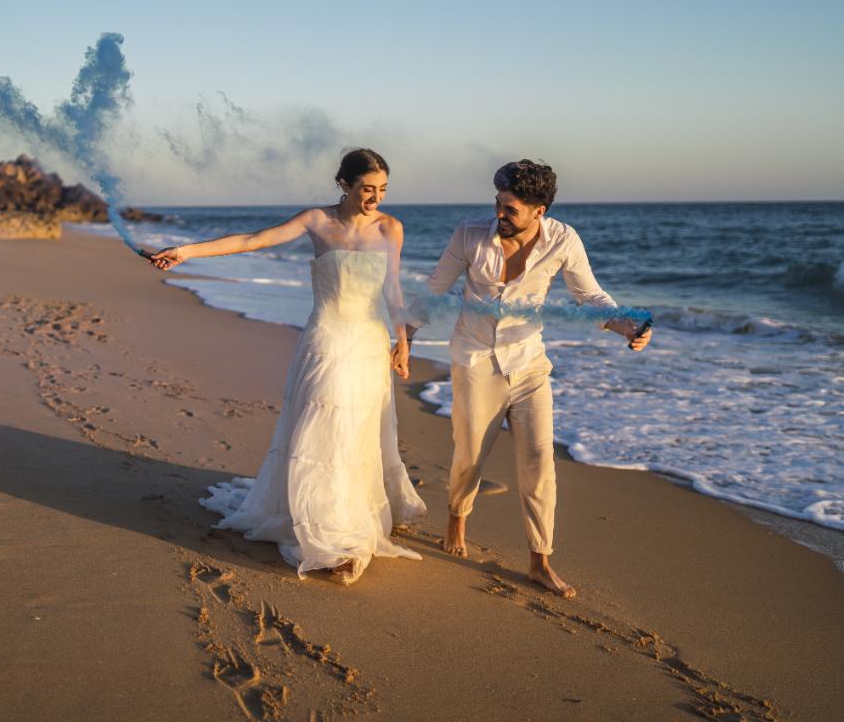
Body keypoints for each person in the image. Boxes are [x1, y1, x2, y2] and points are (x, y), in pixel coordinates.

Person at [150, 148, 427, 584]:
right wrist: (185, 251)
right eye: (367, 189)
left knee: (356, 433)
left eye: (383, 190)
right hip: (327, 338)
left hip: (370, 343)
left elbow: (392, 290)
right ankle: (330, 533)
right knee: (323, 429)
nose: (375, 198)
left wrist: (403, 343)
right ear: (345, 184)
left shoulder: (391, 228)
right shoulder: (317, 220)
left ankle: (350, 518)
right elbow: (252, 240)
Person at [401, 160, 651, 598]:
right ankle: (457, 517)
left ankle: (540, 561)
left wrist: (625, 325)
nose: (499, 214)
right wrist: (404, 338)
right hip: (476, 361)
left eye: (510, 209)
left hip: (530, 364)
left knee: (539, 463)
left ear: (539, 211)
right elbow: (433, 288)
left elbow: (589, 295)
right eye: (497, 204)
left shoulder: (563, 239)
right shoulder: (469, 235)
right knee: (469, 456)